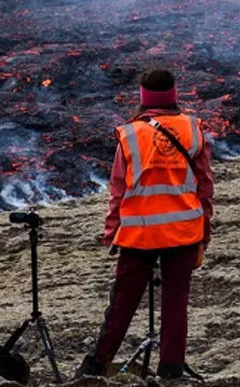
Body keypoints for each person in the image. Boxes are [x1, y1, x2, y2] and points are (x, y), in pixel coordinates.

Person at [78, 68, 215, 380]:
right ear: (173, 94)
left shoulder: (129, 134)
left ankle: (95, 368)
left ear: (143, 97)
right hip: (183, 231)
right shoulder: (193, 129)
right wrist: (204, 232)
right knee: (176, 304)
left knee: (122, 305)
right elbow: (204, 186)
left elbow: (118, 190)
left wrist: (111, 233)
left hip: (138, 233)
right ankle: (171, 371)